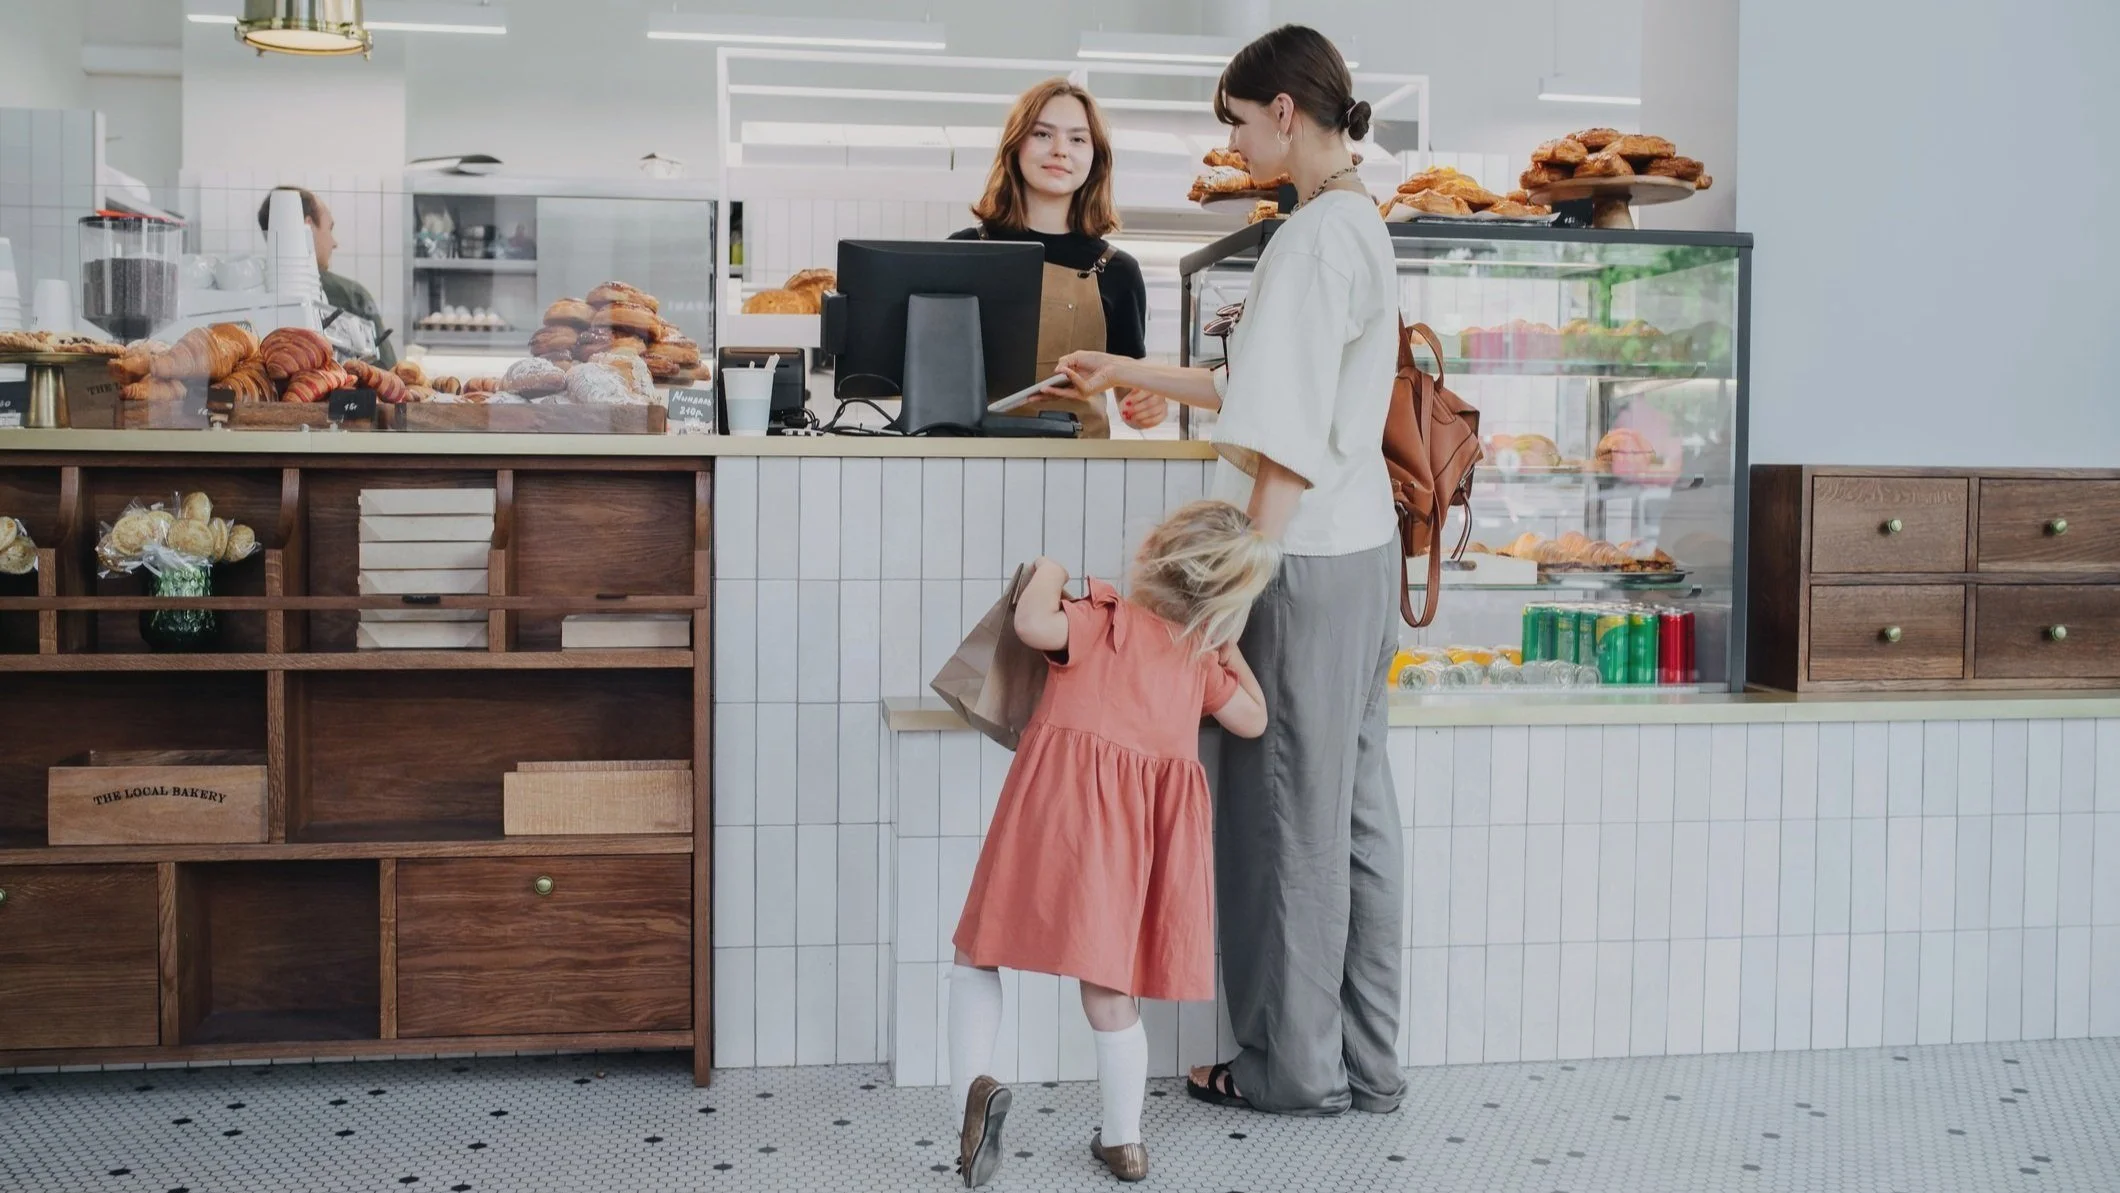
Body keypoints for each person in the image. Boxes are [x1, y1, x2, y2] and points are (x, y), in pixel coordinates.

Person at [1056, 24, 1407, 1117]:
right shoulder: (1357, 225)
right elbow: (1261, 387)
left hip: (1298, 562)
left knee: (1280, 820)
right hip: (1361, 555)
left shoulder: (1308, 239)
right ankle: (1363, 1060)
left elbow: (1286, 439)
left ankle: (1285, 1070)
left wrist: (1236, 578)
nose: (1237, 142)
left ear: (1285, 113)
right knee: (1350, 817)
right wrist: (1126, 367)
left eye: (1238, 122)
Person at [946, 501, 1277, 1186]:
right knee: (1109, 989)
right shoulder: (1197, 661)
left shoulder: (1103, 621)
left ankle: (971, 1099)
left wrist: (1050, 567)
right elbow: (1254, 717)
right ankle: (1125, 1140)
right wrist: (1221, 639)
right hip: (1130, 848)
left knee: (978, 953)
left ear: (1151, 549)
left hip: (1054, 818)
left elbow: (1032, 620)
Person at [947, 79, 1161, 437]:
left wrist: (1148, 404)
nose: (1060, 150)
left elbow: (1131, 394)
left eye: (1077, 139)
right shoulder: (962, 251)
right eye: (1043, 134)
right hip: (972, 460)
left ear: (1096, 158)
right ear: (1015, 146)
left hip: (1078, 471)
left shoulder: (1119, 271)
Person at [255, 187, 397, 368]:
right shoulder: (352, 295)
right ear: (307, 228)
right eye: (330, 228)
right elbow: (390, 376)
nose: (334, 242)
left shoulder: (247, 290)